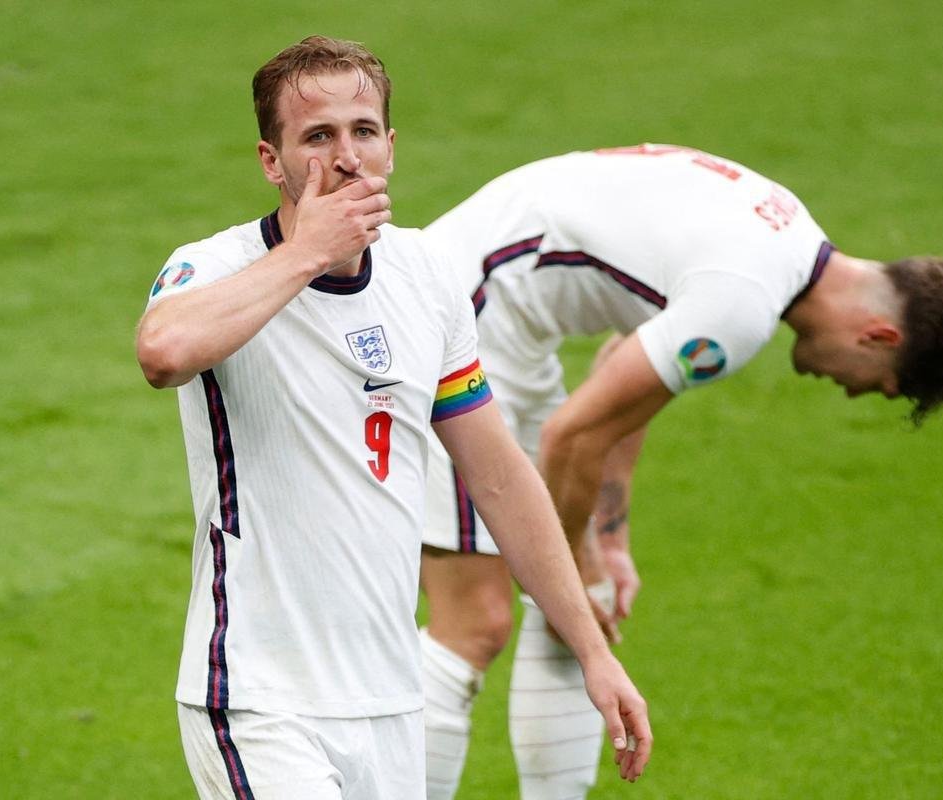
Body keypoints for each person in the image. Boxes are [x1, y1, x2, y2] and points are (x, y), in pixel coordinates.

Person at [135, 39, 653, 800]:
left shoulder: (427, 276)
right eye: (317, 137)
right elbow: (163, 352)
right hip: (259, 698)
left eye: (363, 131)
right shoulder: (214, 267)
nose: (346, 157)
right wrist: (307, 252)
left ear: (390, 148)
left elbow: (499, 478)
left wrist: (591, 651)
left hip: (389, 701)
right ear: (270, 161)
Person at [417, 143, 943, 800]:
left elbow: (624, 368)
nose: (850, 392)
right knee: (480, 620)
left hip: (500, 319)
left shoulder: (788, 236)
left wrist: (608, 537)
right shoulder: (743, 305)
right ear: (878, 338)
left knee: (575, 599)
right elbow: (571, 435)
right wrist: (572, 570)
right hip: (458, 315)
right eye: (876, 386)